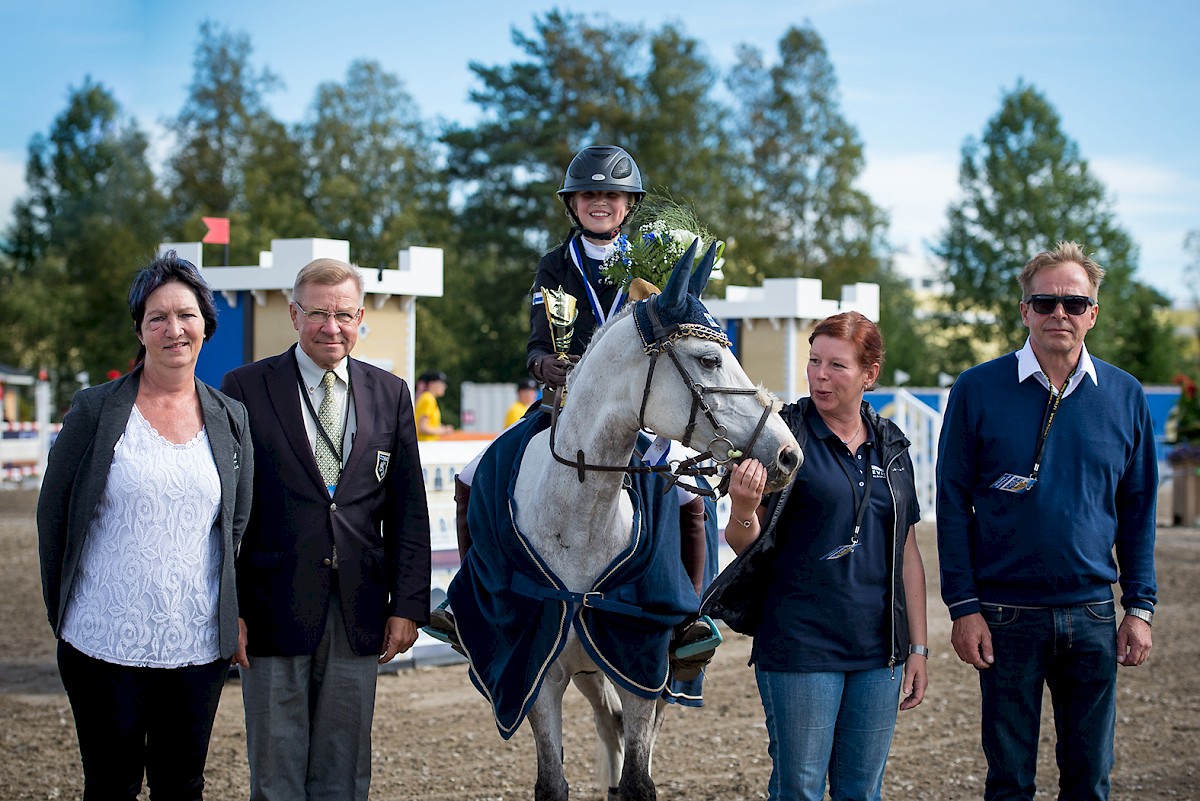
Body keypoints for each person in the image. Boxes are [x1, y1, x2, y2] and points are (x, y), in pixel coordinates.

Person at [936, 241, 1157, 801]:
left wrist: (1140, 608)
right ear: (1024, 311)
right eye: (1045, 302)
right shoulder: (977, 389)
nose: (1060, 313)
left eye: (1074, 303)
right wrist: (963, 608)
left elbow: (1138, 509)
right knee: (1009, 781)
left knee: (1090, 778)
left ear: (1093, 314)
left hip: (1091, 616)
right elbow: (952, 503)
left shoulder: (1126, 396)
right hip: (1006, 616)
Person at [37, 251, 254, 800]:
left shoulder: (231, 417)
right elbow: (54, 515)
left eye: (186, 315)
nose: (173, 329)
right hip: (101, 641)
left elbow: (237, 524)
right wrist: (62, 613)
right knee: (111, 785)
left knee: (182, 785)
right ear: (140, 329)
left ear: (206, 323)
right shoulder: (94, 410)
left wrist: (232, 613)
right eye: (157, 317)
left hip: (197, 645)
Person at [221, 258, 431, 801]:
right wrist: (230, 610)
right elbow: (223, 514)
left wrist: (408, 605)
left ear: (361, 317)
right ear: (294, 314)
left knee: (345, 769)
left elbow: (408, 510)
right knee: (275, 770)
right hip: (270, 606)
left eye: (343, 315)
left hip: (359, 607)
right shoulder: (243, 388)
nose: (331, 327)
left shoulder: (391, 393)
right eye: (317, 313)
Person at [704, 311, 927, 801]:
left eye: (837, 365)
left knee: (861, 792)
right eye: (814, 362)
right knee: (799, 789)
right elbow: (746, 544)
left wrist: (917, 648)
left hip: (879, 652)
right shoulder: (783, 436)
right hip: (800, 646)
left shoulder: (893, 445)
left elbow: (907, 551)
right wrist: (742, 507)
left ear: (870, 373)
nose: (820, 375)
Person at [414, 370, 453, 440]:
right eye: (441, 383)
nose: (444, 386)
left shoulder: (427, 398)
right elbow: (422, 428)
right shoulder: (428, 399)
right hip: (426, 445)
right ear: (431, 384)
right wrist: (444, 431)